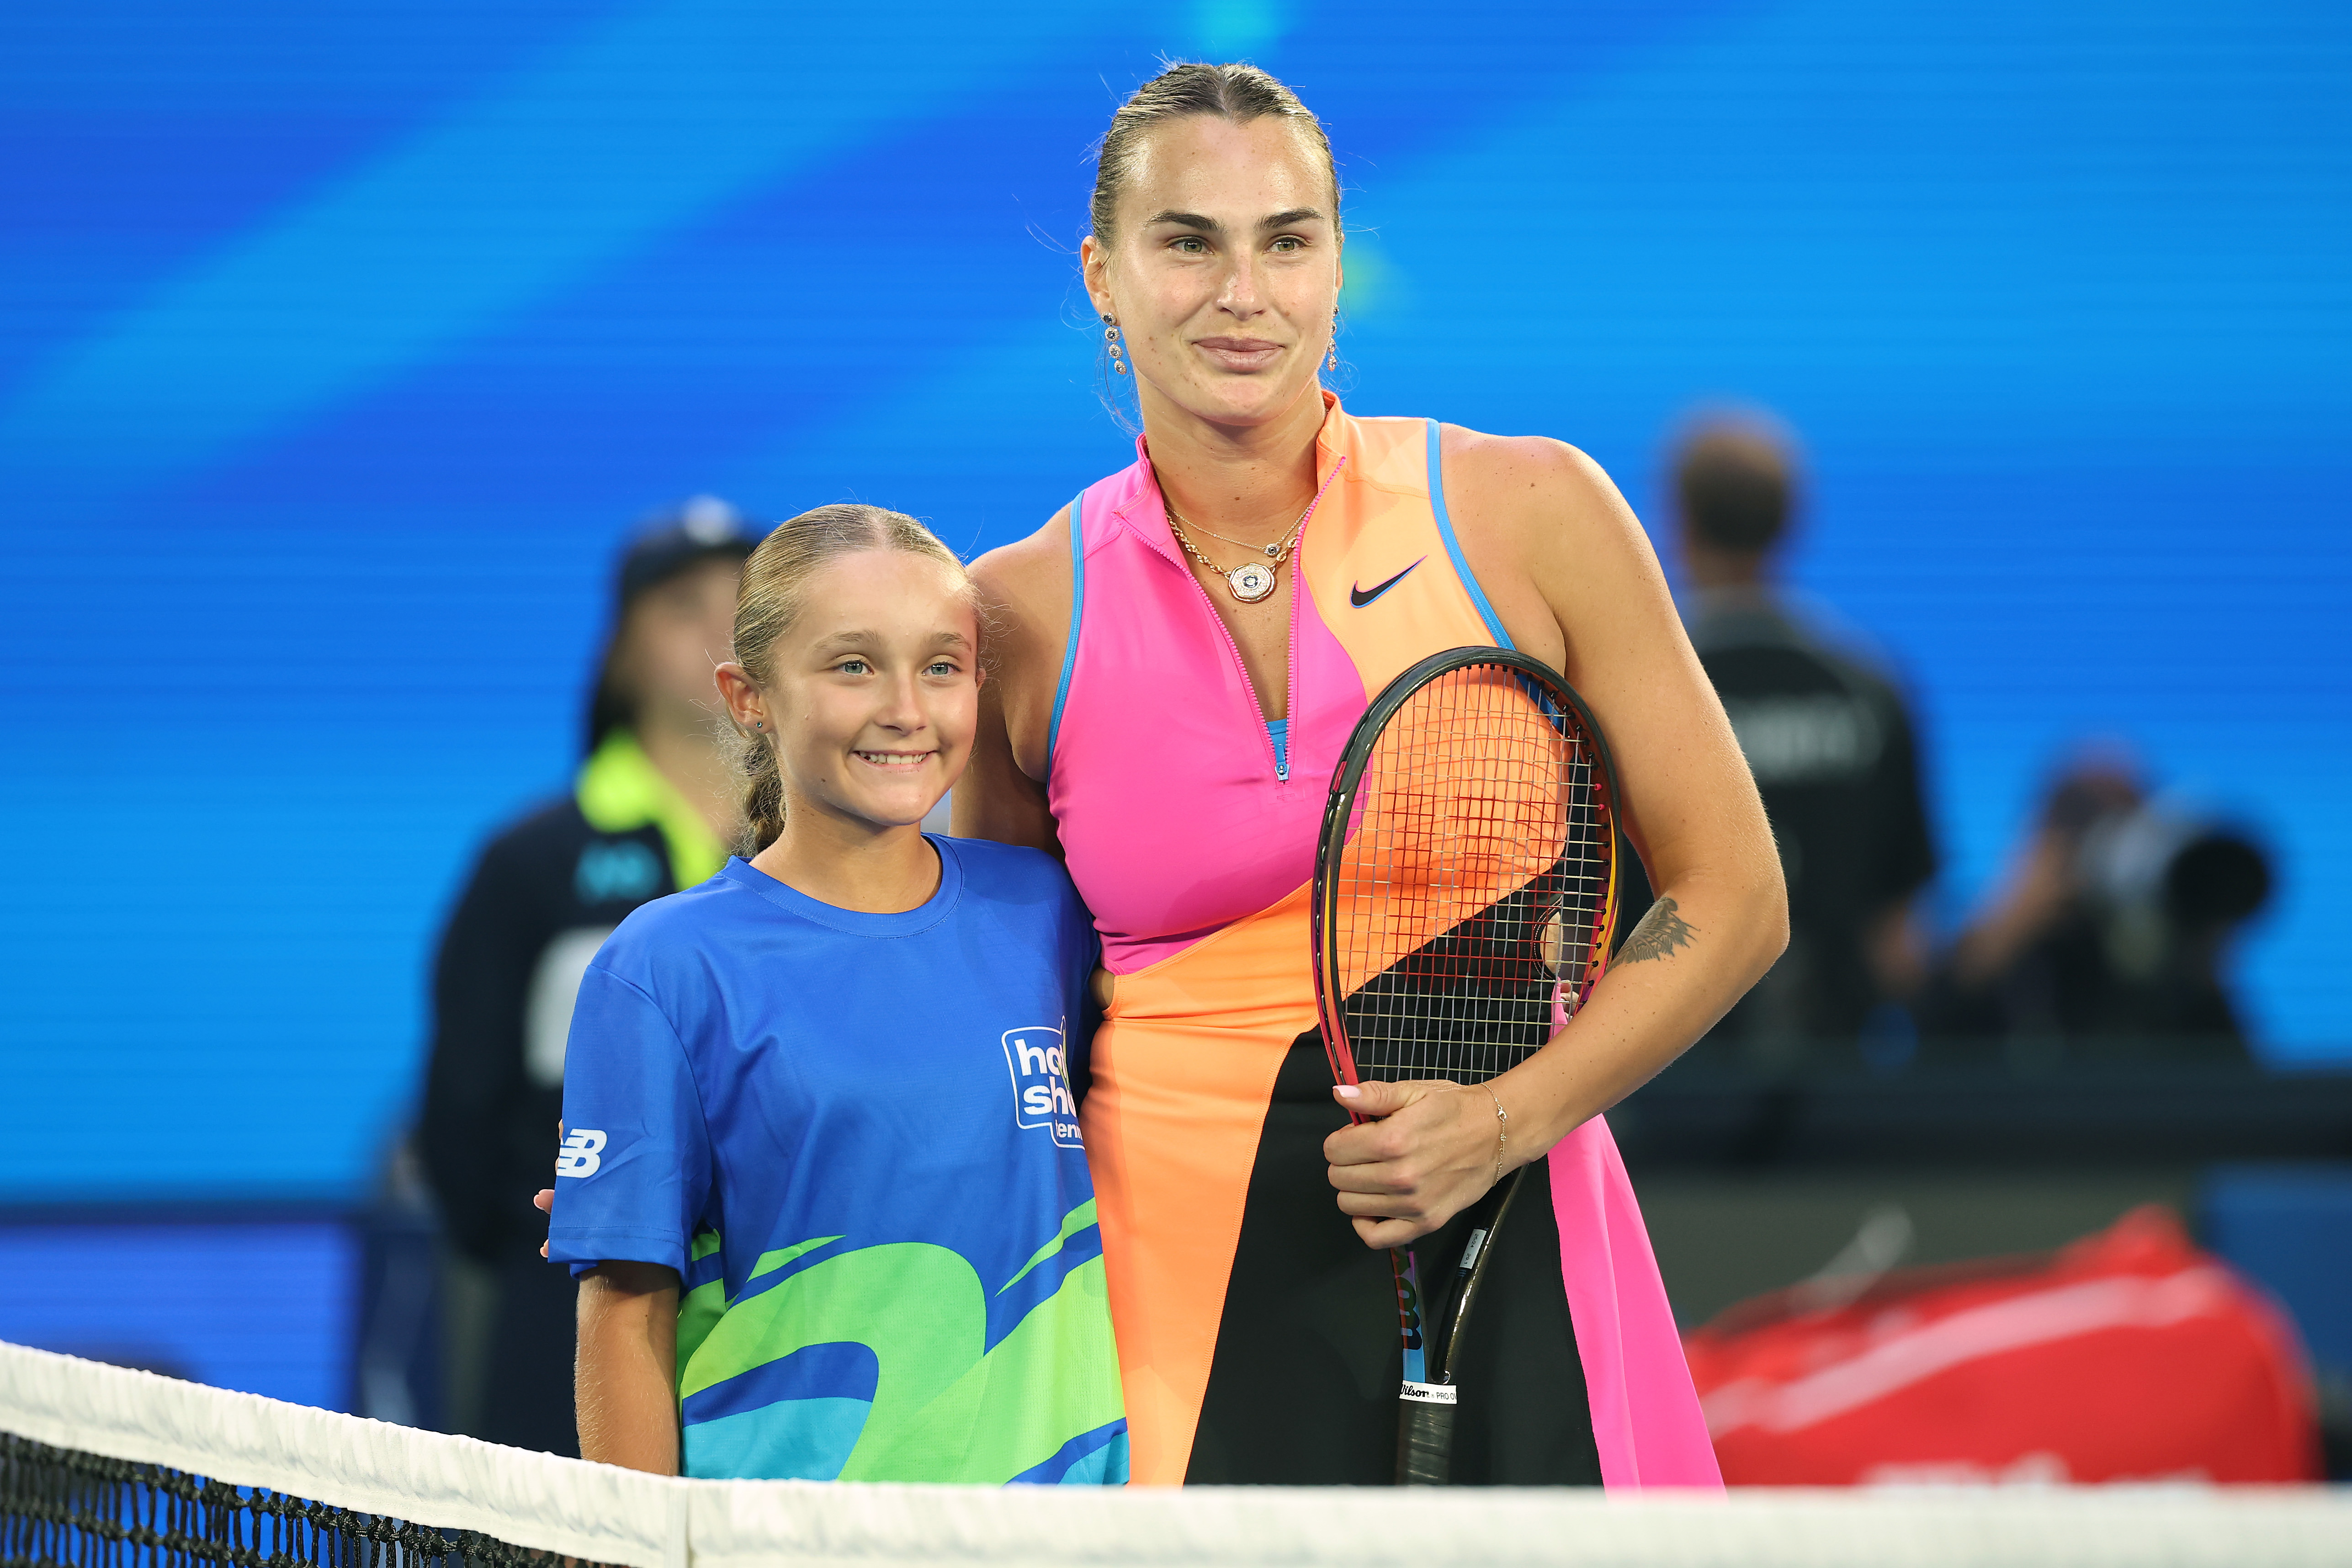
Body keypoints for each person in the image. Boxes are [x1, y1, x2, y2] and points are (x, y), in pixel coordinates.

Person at [957, 63, 1786, 1487]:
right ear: (1102, 275)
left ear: (1338, 264)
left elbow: (1733, 897)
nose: (1242, 292)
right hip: (1167, 1295)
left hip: (1513, 1224)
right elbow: (991, 1025)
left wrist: (1501, 1121)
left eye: (1286, 239)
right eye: (1186, 241)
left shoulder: (1528, 513)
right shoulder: (1010, 616)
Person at [544, 505, 1127, 1483]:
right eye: (852, 664)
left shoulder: (1049, 912)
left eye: (941, 665)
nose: (905, 706)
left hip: (1061, 1535)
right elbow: (623, 1307)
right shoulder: (663, 965)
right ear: (748, 697)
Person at [419, 498, 756, 1453]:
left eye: (746, 599)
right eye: (683, 604)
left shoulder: (842, 858)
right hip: (564, 1334)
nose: (721, 625)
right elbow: (460, 1125)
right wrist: (565, 1262)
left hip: (780, 1326)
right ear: (620, 654)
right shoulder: (527, 862)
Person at [1667, 418, 1939, 1066]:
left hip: (1671, 1069)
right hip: (1836, 1070)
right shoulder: (1867, 685)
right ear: (1790, 523)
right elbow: (1899, 933)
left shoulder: (1649, 685)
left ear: (1681, 527)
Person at [1926, 748, 2271, 1058]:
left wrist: (2200, 955)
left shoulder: (2155, 965)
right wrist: (2009, 927)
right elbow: (1925, 1053)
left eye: (2127, 820)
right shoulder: (2010, 958)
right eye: (2084, 817)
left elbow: (2238, 1092)